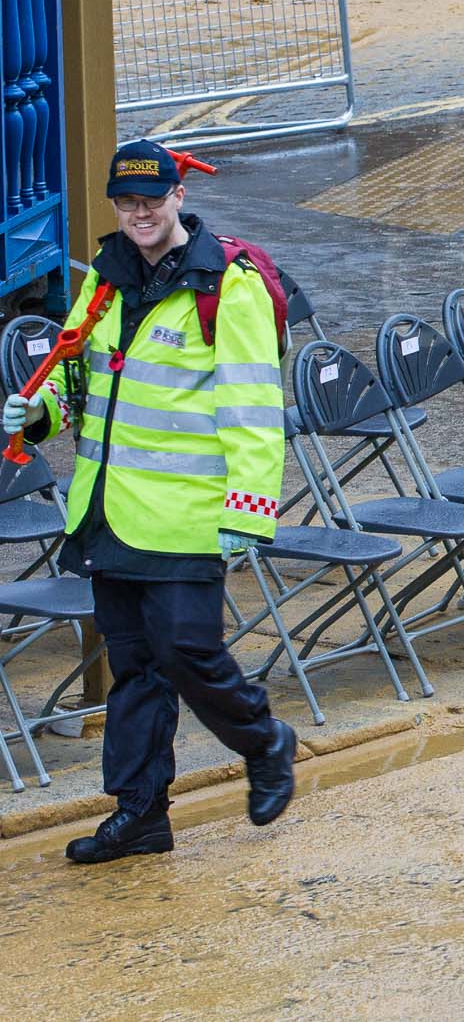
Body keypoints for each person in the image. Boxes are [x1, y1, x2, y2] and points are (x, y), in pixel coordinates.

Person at [3, 141, 295, 863]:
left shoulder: (227, 286)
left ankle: (265, 741)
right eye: (126, 201)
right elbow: (84, 388)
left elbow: (254, 408)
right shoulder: (105, 278)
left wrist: (246, 513)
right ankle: (140, 813)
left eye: (151, 199)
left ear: (178, 198)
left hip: (189, 518)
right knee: (137, 667)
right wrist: (34, 417)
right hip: (109, 514)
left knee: (188, 651)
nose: (139, 212)